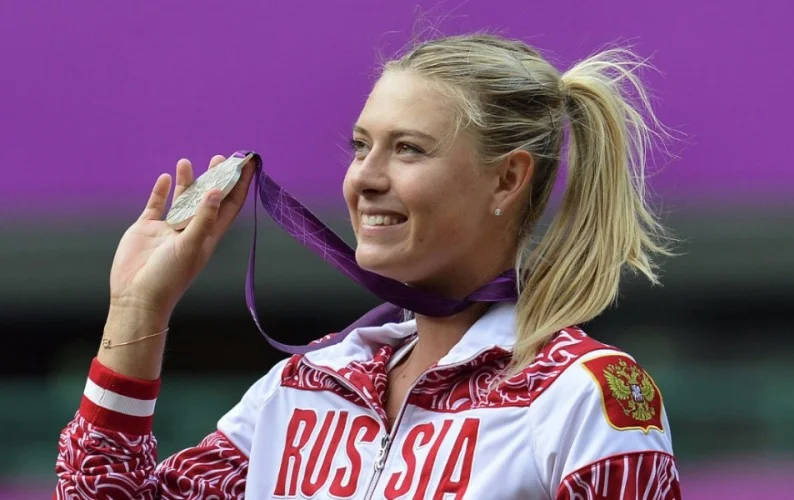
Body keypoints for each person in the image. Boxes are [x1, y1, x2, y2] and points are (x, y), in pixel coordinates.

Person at [55, 34, 682, 499]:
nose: (364, 179)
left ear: (507, 178)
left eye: (408, 149)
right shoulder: (302, 389)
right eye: (361, 146)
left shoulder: (583, 396)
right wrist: (137, 308)